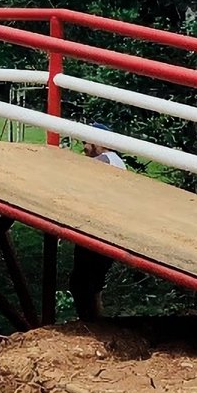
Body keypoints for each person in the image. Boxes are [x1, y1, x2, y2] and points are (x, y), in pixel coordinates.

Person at [69, 134, 128, 319]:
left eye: (87, 142)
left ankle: (90, 323)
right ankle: (94, 322)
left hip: (97, 229)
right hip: (106, 228)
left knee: (82, 282)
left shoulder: (104, 160)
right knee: (92, 282)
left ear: (101, 143)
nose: (84, 147)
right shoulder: (117, 162)